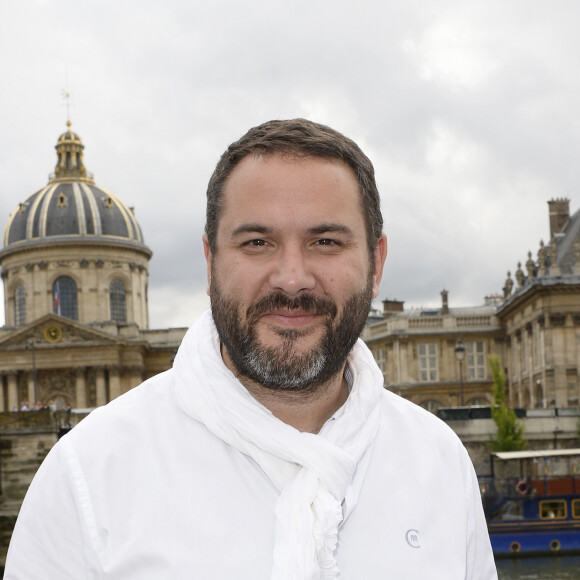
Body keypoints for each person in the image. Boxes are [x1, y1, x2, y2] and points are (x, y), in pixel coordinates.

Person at [5, 119, 497, 579]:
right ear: (209, 261)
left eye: (325, 241)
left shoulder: (442, 464)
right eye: (257, 242)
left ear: (376, 263)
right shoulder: (85, 475)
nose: (291, 279)